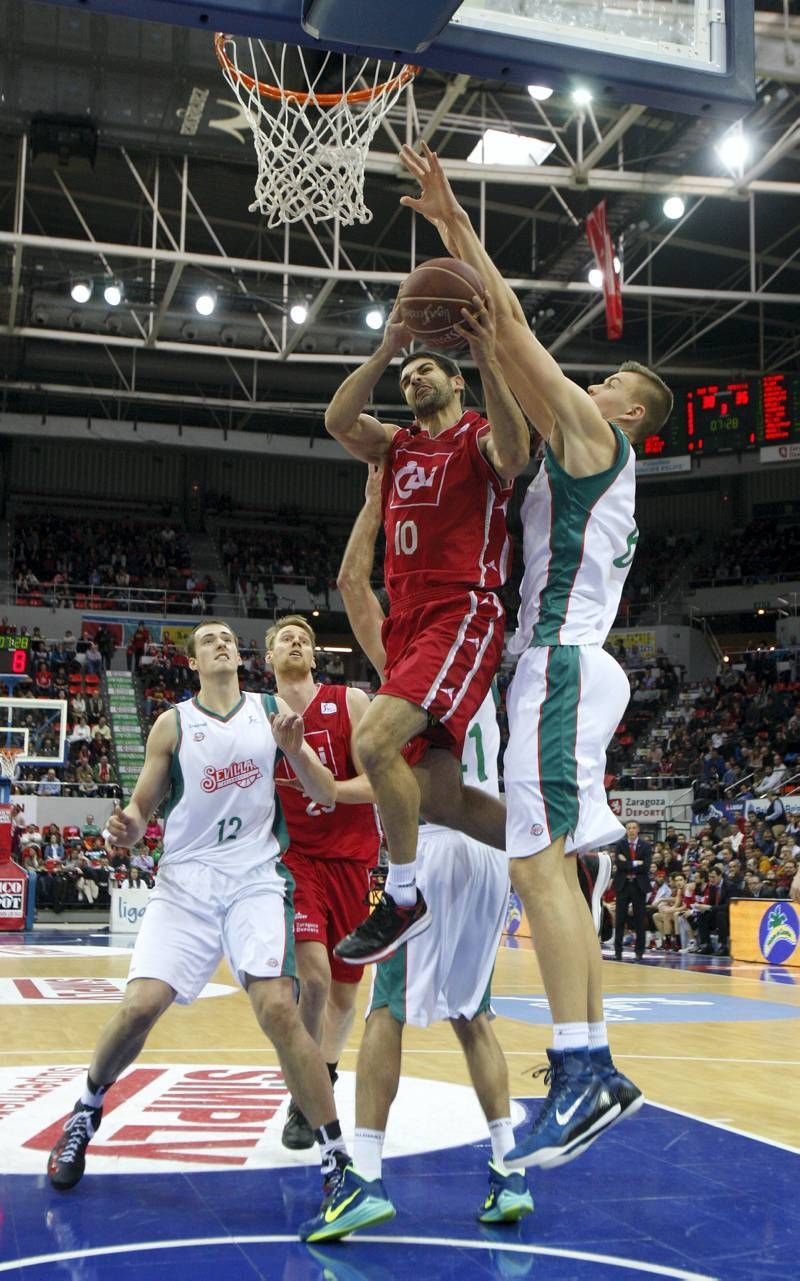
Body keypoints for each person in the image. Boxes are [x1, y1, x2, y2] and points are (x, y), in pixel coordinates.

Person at [398, 140, 672, 1169]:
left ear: (627, 410)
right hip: (558, 667)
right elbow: (504, 358)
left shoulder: (600, 441)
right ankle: (585, 1061)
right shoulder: (573, 450)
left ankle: (585, 1063)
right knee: (533, 848)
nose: (588, 384)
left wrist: (451, 225)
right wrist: (477, 316)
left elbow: (512, 330)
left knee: (533, 860)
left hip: (557, 661)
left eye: (604, 381)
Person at [46, 619, 350, 1239]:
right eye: (207, 639)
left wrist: (296, 751)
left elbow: (325, 789)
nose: (219, 643)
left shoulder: (270, 712)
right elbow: (140, 807)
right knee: (140, 1007)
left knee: (279, 1009)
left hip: (255, 878)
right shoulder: (173, 724)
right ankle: (86, 1108)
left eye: (226, 638)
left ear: (239, 655)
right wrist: (128, 826)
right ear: (192, 662)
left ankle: (336, 1158)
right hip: (185, 883)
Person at [302, 465, 532, 1242]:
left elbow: (350, 585)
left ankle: (364, 1174)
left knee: (387, 1013)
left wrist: (371, 506)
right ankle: (509, 1168)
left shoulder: (415, 664)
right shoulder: (478, 670)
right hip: (489, 852)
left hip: (433, 851)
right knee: (475, 1013)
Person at [324, 275, 531, 963]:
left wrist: (485, 355)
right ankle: (564, 852)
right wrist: (386, 348)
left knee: (373, 739)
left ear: (455, 382)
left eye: (424, 371)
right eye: (408, 376)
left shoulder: (475, 438)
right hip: (410, 621)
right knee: (440, 798)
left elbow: (518, 450)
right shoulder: (397, 446)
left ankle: (403, 895)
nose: (414, 380)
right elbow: (337, 420)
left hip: (461, 607)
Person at [265, 612, 380, 1152]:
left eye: (304, 640)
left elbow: (378, 784)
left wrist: (329, 789)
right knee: (311, 980)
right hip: (297, 860)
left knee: (342, 995)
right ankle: (303, 1096)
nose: (296, 642)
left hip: (352, 861)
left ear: (314, 657)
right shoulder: (255, 716)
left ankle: (324, 1074)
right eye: (286, 638)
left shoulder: (351, 702)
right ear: (269, 659)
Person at [613, 822, 653, 959]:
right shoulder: (620, 845)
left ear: (638, 830)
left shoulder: (646, 846)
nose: (631, 830)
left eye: (634, 828)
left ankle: (639, 951)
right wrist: (636, 862)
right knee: (619, 919)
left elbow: (646, 866)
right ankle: (618, 951)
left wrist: (628, 863)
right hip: (623, 885)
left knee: (639, 920)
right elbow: (619, 864)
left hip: (638, 886)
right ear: (626, 830)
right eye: (629, 828)